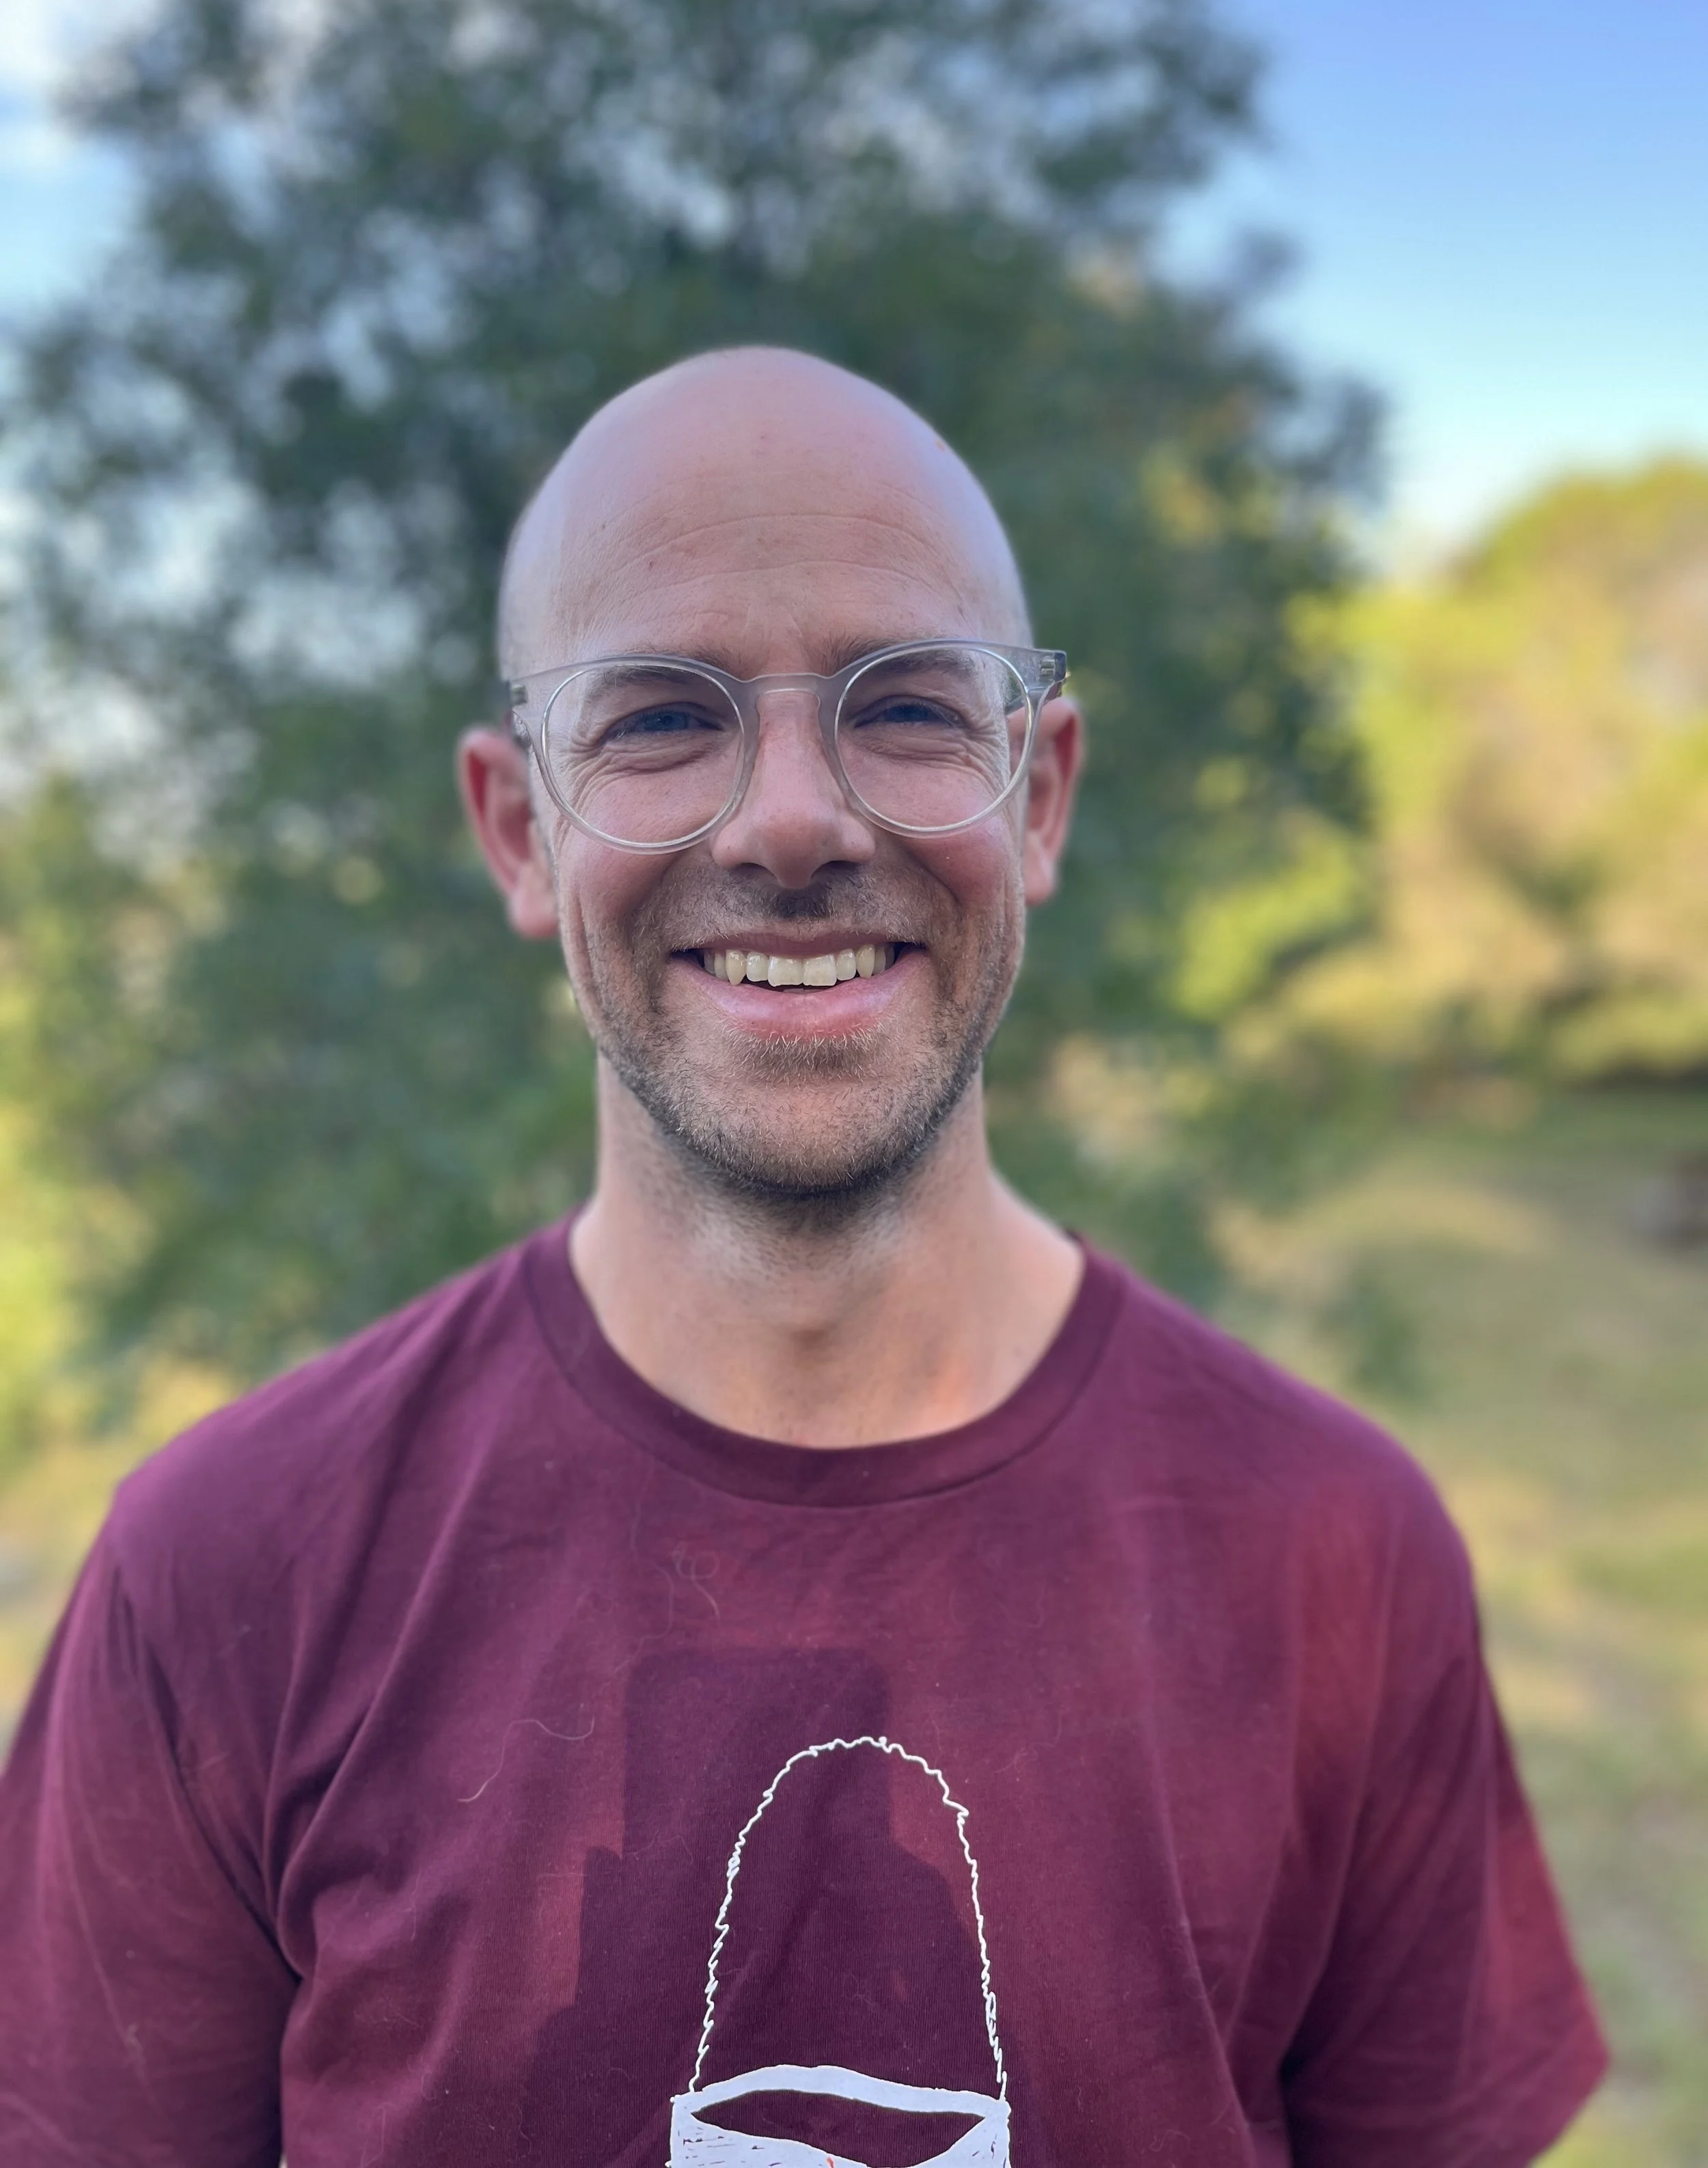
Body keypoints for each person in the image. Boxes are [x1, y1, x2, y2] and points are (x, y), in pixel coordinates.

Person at [0, 348, 1604, 2167]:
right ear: (520, 826)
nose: (787, 820)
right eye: (661, 719)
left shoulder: (1334, 1553)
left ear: (1039, 790)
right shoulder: (225, 1570)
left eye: (905, 705)